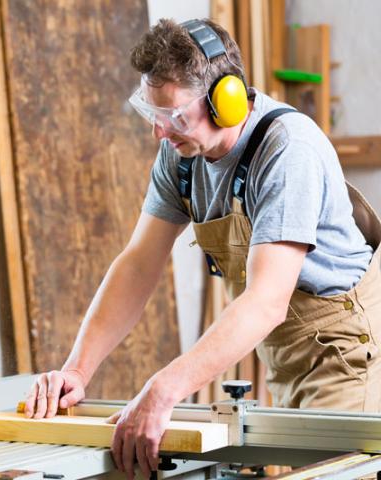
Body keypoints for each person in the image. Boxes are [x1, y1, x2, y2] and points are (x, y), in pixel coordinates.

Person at [24, 18, 381, 479]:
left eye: (173, 116)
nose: (159, 132)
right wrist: (77, 370)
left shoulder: (287, 151)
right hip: (286, 357)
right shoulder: (181, 156)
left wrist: (165, 388)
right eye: (152, 114)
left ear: (225, 101)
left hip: (345, 351)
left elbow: (266, 301)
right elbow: (137, 265)